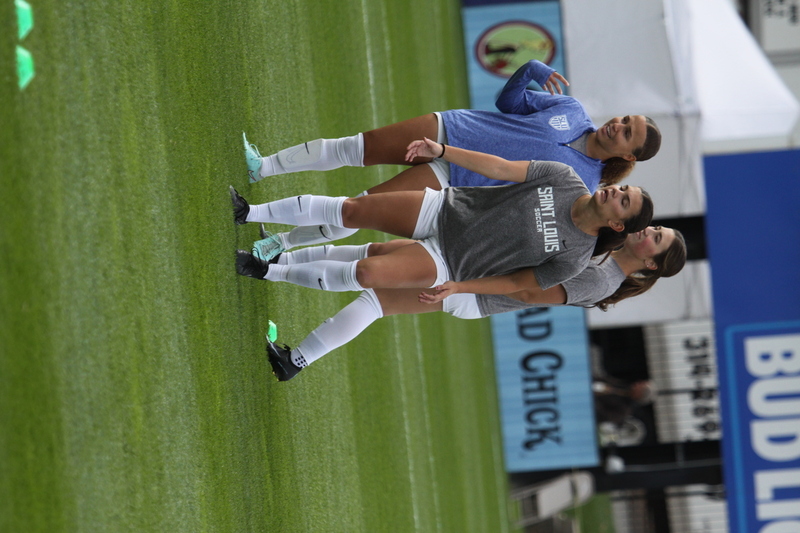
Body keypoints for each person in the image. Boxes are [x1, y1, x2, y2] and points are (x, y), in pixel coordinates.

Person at [230, 139, 654, 380]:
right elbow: (502, 166)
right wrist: (444, 149)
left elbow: (518, 285)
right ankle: (249, 212)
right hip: (444, 209)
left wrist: (460, 287)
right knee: (353, 211)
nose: (615, 192)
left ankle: (267, 273)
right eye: (621, 190)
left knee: (367, 273)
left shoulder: (577, 257)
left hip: (449, 260)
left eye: (624, 201)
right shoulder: (566, 178)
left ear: (617, 226)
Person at [243, 60, 662, 260]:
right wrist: (529, 70)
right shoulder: (570, 109)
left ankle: (278, 243)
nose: (617, 125)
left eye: (627, 132)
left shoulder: (585, 187)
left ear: (628, 155)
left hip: (455, 180)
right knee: (356, 146)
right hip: (451, 129)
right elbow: (508, 101)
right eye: (625, 119)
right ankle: (262, 166)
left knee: (361, 206)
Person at [252, 223, 683, 382]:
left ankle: (297, 358)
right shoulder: (605, 255)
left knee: (376, 298)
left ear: (651, 263)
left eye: (656, 239)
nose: (649, 232)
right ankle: (275, 257)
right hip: (473, 264)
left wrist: (463, 284)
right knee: (375, 255)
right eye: (656, 228)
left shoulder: (603, 280)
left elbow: (530, 291)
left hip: (473, 286)